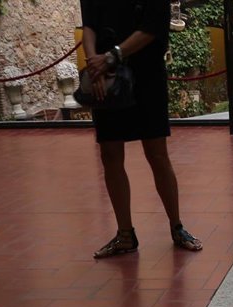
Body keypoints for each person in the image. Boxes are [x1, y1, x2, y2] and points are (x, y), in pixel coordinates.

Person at [81, 0, 203, 257]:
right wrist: (94, 67)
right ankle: (125, 234)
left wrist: (110, 57)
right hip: (106, 76)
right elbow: (89, 25)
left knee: (157, 153)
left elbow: (153, 27)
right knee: (110, 154)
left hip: (147, 75)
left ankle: (177, 227)